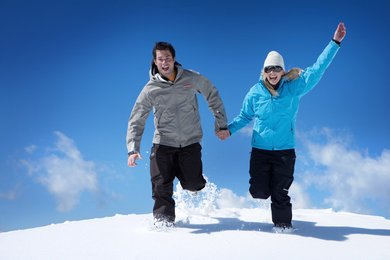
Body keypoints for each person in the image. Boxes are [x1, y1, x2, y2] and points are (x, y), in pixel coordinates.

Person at [219, 22, 346, 232]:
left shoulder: (293, 88)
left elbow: (317, 70)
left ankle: (284, 228)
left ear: (282, 70)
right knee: (259, 191)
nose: (272, 73)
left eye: (276, 68)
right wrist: (229, 130)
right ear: (264, 71)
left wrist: (335, 43)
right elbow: (244, 116)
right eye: (269, 69)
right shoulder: (255, 92)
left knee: (280, 192)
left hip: (285, 151)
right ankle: (269, 196)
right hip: (260, 151)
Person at [126, 41, 230, 227]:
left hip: (190, 141)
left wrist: (221, 124)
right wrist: (133, 148)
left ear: (174, 59)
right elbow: (137, 118)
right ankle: (164, 224)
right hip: (163, 143)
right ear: (155, 62)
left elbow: (212, 94)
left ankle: (190, 182)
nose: (164, 63)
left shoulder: (191, 78)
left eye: (168, 58)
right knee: (160, 185)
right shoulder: (150, 89)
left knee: (193, 184)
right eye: (160, 59)